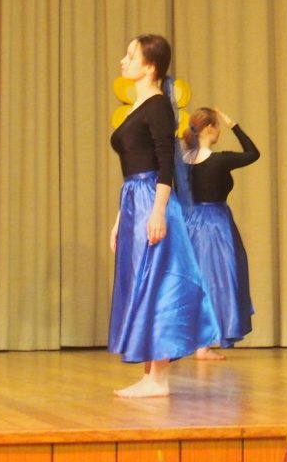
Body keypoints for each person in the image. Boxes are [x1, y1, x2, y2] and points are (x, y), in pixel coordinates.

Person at [108, 34, 220, 397]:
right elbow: (132, 168)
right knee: (142, 284)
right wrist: (119, 219)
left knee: (156, 283)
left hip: (151, 199)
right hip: (134, 198)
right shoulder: (140, 106)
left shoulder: (157, 106)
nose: (124, 61)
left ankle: (158, 379)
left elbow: (164, 164)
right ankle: (149, 375)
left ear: (150, 66)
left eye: (131, 56)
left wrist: (158, 212)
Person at [181, 107, 260, 359]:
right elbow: (253, 153)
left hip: (188, 224)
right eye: (217, 126)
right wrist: (233, 124)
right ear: (209, 128)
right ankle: (203, 346)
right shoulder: (219, 160)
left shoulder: (181, 162)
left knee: (197, 282)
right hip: (215, 225)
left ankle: (199, 343)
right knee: (219, 282)